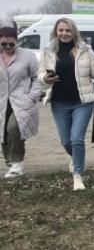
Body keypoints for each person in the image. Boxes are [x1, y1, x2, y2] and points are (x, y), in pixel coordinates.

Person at [39, 18, 94, 190]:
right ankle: (75, 158)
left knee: (76, 139)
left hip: (82, 102)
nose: (64, 33)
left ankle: (78, 176)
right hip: (59, 103)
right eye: (61, 30)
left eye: (68, 30)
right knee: (66, 141)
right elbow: (41, 75)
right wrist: (45, 78)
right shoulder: (48, 51)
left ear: (73, 32)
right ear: (56, 31)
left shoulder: (85, 50)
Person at [0, 27, 43, 179]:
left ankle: (17, 163)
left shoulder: (27, 56)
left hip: (22, 101)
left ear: (16, 42)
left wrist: (32, 96)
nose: (7, 47)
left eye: (11, 44)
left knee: (14, 128)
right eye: (3, 44)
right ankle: (10, 164)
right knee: (3, 132)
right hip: (2, 101)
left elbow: (38, 77)